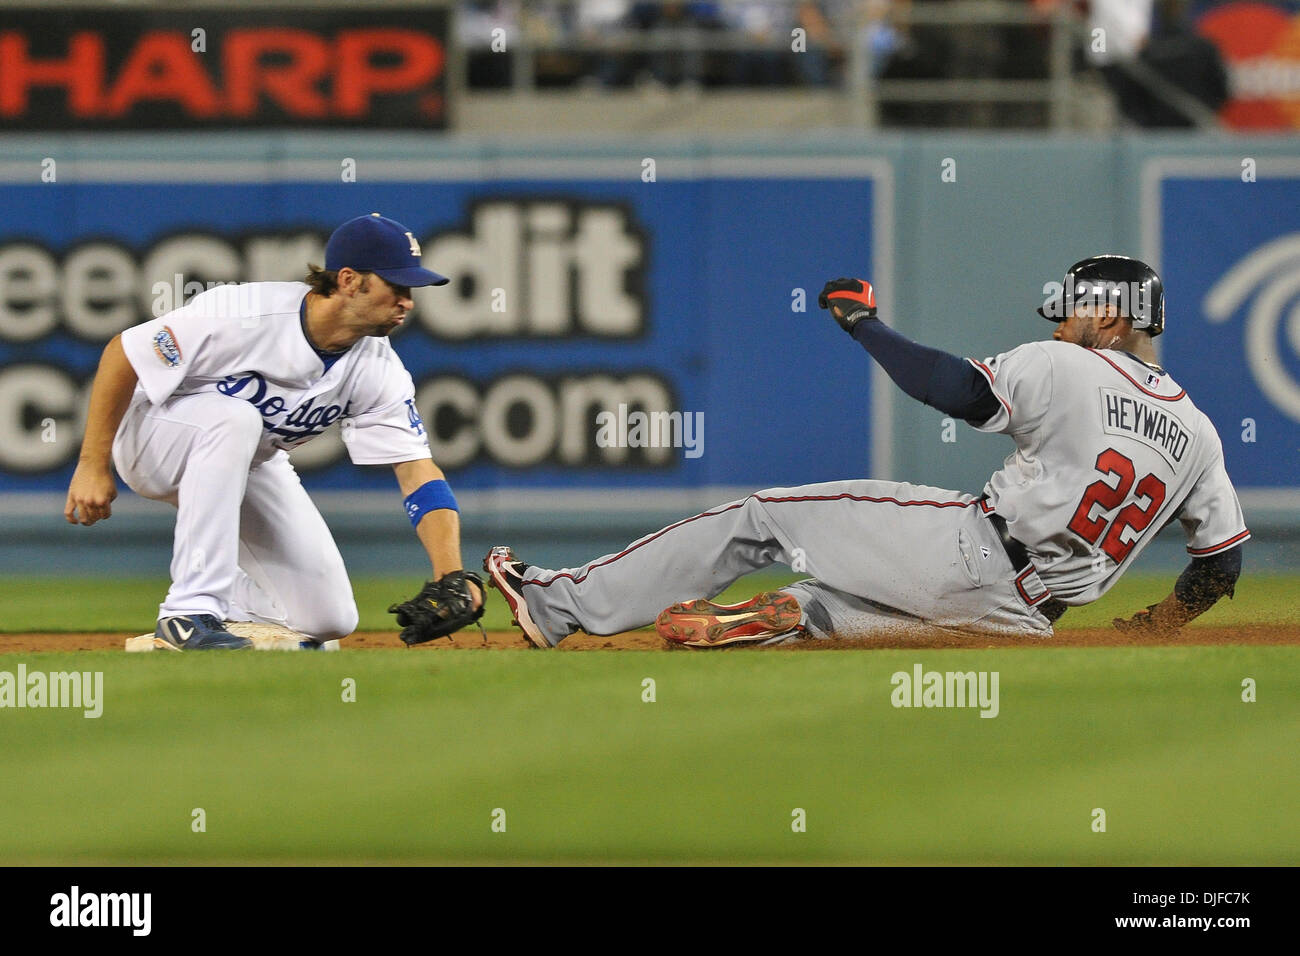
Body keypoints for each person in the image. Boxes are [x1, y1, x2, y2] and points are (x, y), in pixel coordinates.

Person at [484, 257, 1248, 648]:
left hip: (968, 550)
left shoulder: (1070, 366)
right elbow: (1219, 567)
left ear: (1109, 315)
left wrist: (862, 323)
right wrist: (1157, 626)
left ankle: (555, 605)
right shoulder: (1201, 434)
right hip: (1025, 620)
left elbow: (953, 389)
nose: (1056, 325)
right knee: (820, 612)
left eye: (1070, 311)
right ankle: (779, 615)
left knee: (761, 519)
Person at [65, 213, 483, 650]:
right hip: (152, 436)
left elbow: (417, 471)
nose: (407, 301)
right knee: (236, 418)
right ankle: (187, 612)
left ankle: (230, 606)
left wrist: (449, 573)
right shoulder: (245, 313)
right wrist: (92, 465)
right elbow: (124, 353)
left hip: (245, 459)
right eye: (396, 285)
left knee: (328, 618)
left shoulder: (378, 369)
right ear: (348, 280)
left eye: (411, 289)